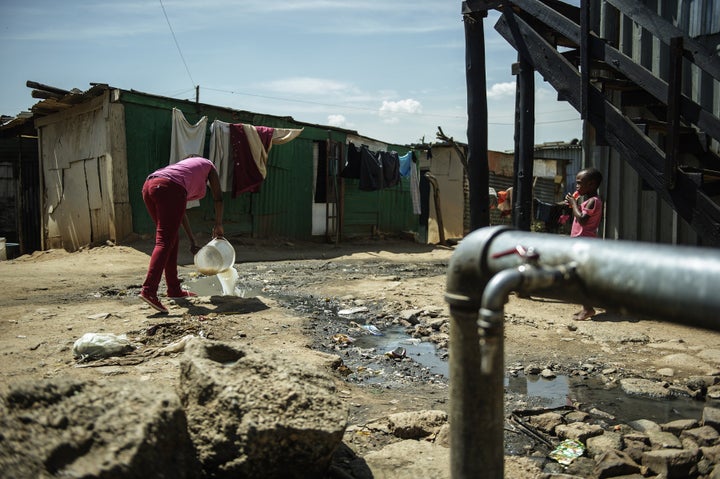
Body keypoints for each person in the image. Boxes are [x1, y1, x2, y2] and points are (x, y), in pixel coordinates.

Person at [139, 156, 224, 314]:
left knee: (171, 238)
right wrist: (218, 224)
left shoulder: (180, 173)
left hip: (149, 186)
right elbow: (218, 198)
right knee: (164, 241)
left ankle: (174, 289)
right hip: (166, 188)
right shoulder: (209, 166)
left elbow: (180, 213)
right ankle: (149, 290)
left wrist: (192, 240)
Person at [565, 167, 603, 321]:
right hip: (580, 242)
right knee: (579, 276)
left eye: (580, 184)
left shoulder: (593, 201)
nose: (577, 187)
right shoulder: (588, 201)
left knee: (579, 277)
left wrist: (574, 203)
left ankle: (588, 309)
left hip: (584, 243)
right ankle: (587, 307)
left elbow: (582, 219)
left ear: (592, 184)